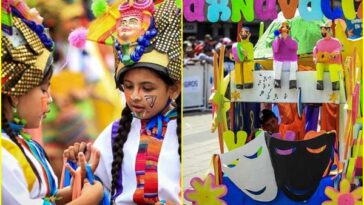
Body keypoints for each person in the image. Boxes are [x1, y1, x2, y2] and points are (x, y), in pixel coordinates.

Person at [64, 0, 181, 204]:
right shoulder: (115, 133)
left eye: (147, 88)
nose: (135, 96)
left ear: (174, 88)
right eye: (128, 86)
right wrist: (81, 169)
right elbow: (94, 188)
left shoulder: (181, 132)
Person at [1, 1, 103, 204]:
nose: (50, 98)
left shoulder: (19, 142)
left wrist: (77, 184)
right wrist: (88, 199)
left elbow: (41, 198)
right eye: (44, 90)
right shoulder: (4, 155)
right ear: (15, 94)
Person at [313, 21, 343, 90]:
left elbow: (338, 49)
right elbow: (315, 49)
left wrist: (332, 54)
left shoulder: (336, 41)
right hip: (324, 64)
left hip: (334, 63)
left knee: (333, 67)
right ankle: (319, 82)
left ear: (329, 30)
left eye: (324, 29)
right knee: (319, 65)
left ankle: (335, 84)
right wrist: (315, 58)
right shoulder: (319, 42)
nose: (322, 31)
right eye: (321, 30)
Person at [272, 21, 298, 89]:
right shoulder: (277, 40)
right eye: (282, 28)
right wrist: (277, 38)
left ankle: (293, 81)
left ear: (288, 30)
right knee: (278, 64)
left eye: (286, 28)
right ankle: (277, 81)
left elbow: (294, 47)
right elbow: (276, 49)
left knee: (293, 64)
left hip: (290, 62)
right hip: (279, 61)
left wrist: (286, 38)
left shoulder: (293, 40)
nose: (284, 29)